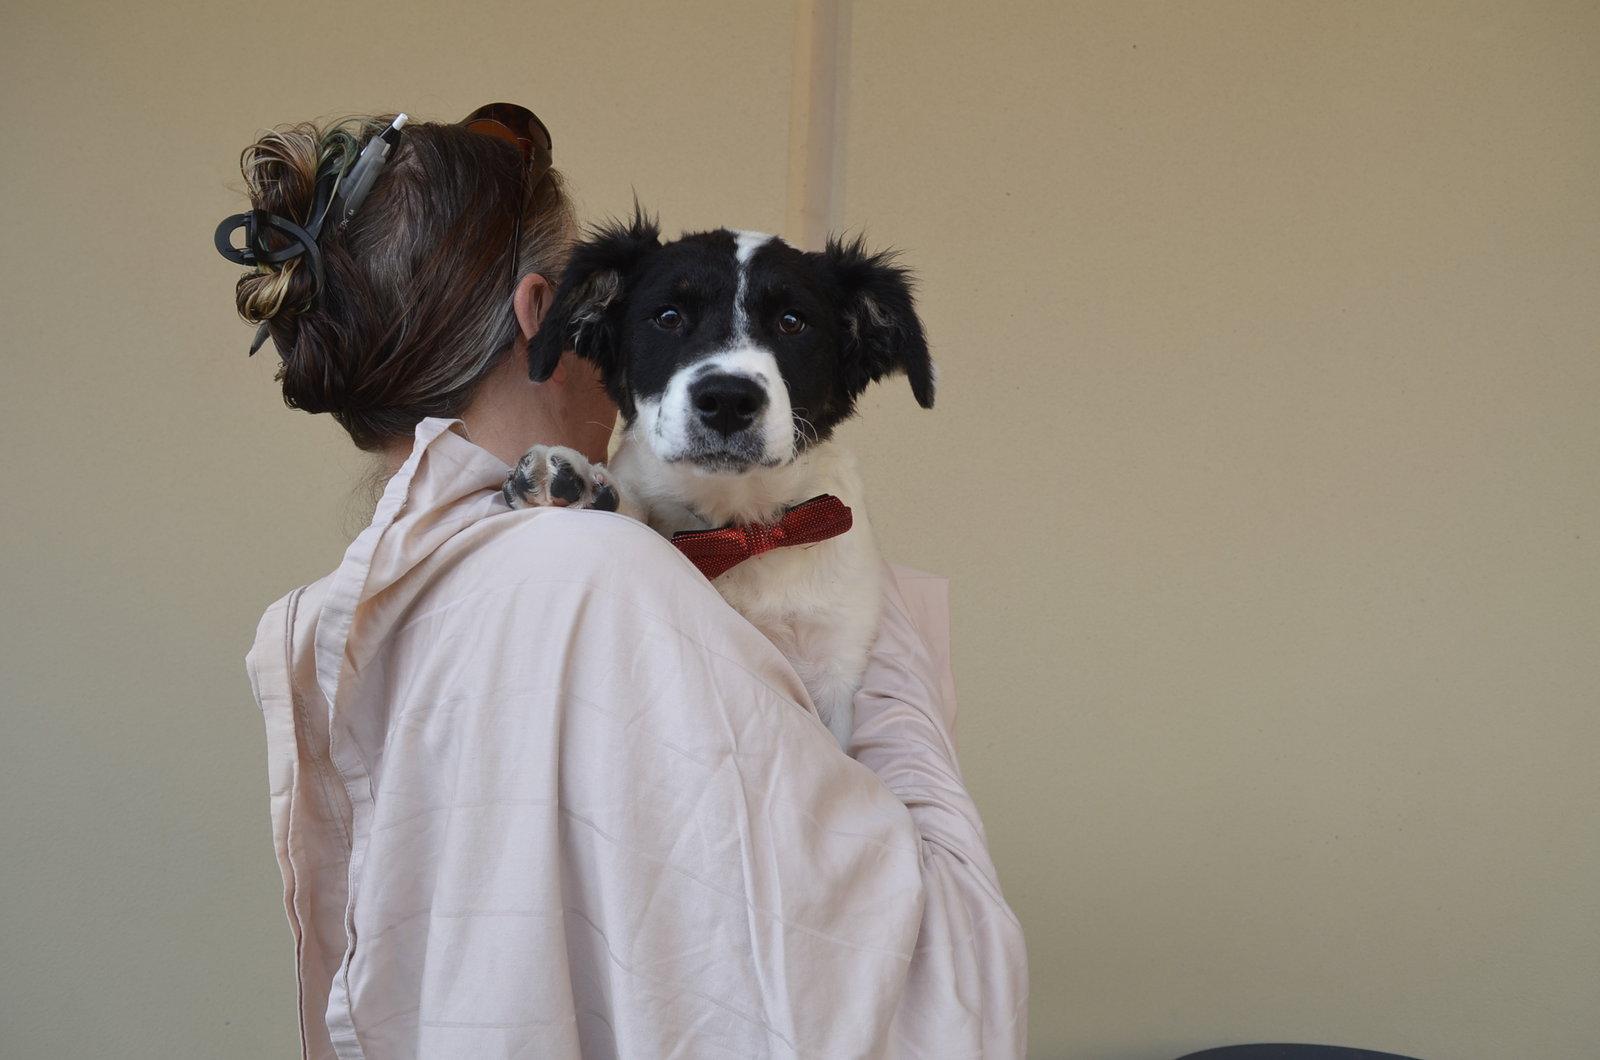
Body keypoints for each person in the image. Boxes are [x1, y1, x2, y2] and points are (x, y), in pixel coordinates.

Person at [227, 105, 1028, 1059]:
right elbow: (923, 978)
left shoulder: (366, 609)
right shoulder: (596, 578)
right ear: (548, 316)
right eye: (664, 316)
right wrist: (878, 638)